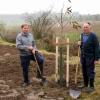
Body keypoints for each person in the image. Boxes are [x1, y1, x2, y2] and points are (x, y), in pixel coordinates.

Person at [78, 22, 99, 92]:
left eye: (86, 27)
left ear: (90, 28)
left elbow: (97, 48)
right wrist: (79, 43)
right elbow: (81, 46)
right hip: (83, 57)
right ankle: (86, 85)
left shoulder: (93, 36)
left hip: (90, 57)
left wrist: (96, 59)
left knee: (90, 71)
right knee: (84, 71)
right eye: (84, 27)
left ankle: (92, 87)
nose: (85, 28)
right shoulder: (81, 35)